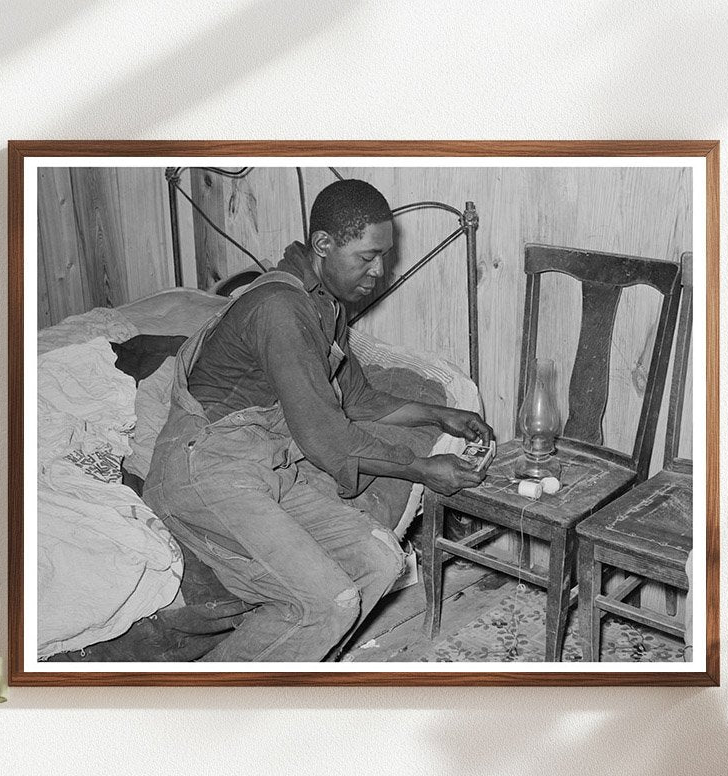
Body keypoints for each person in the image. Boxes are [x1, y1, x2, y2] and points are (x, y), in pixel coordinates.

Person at [143, 178, 493, 662]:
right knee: (329, 601)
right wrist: (421, 469)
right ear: (323, 245)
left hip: (262, 468)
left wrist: (443, 413)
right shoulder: (279, 308)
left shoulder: (323, 306)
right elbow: (328, 438)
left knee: (380, 561)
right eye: (367, 257)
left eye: (385, 258)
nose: (379, 272)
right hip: (206, 470)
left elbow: (358, 399)